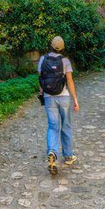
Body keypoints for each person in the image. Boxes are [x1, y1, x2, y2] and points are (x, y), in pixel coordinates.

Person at [38, 36, 78, 174]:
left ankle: (52, 152)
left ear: (50, 45)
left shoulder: (43, 59)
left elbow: (41, 78)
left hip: (49, 97)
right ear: (62, 47)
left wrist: (42, 93)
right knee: (66, 125)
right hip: (64, 98)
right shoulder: (65, 61)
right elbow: (70, 81)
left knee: (52, 126)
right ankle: (68, 156)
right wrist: (75, 100)